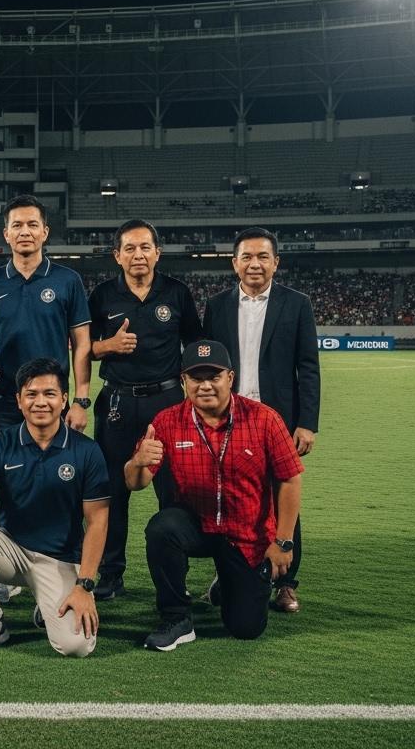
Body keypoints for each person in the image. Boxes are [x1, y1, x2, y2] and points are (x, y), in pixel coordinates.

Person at [124, 340, 303, 650]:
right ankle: (177, 617)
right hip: (198, 525)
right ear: (183, 382)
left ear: (230, 379)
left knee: (246, 628)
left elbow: (289, 480)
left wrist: (283, 541)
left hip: (246, 534)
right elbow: (134, 482)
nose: (205, 385)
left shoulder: (265, 419)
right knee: (162, 527)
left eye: (214, 376)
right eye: (196, 378)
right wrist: (136, 462)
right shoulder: (166, 421)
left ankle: (230, 581)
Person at [0, 357, 109, 657]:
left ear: (63, 400)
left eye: (49, 394)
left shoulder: (86, 450)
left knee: (76, 646)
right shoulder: (3, 441)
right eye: (31, 394)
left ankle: (47, 605)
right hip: (12, 550)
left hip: (60, 559)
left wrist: (85, 586)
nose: (40, 402)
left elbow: (98, 522)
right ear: (19, 401)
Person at [201, 227, 320, 614]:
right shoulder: (216, 306)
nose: (255, 264)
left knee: (283, 497)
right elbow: (207, 367)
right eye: (247, 257)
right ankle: (231, 572)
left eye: (263, 257)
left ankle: (286, 581)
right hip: (227, 417)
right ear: (235, 263)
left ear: (276, 262)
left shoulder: (296, 304)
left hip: (277, 419)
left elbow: (308, 367)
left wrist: (307, 422)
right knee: (232, 499)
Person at [86, 219, 200, 601]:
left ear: (157, 252)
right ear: (117, 255)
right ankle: (110, 573)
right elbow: (81, 349)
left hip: (168, 403)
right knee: (113, 490)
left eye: (145, 247)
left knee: (172, 490)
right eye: (130, 248)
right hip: (117, 402)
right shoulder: (102, 295)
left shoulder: (177, 293)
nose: (138, 254)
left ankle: (173, 575)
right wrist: (108, 347)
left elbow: (197, 347)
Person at [0, 194, 91, 431]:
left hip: (51, 398)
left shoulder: (68, 280)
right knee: (3, 467)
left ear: (45, 232)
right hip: (3, 400)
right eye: (17, 225)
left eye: (32, 224)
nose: (25, 232)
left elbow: (82, 344)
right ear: (6, 234)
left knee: (55, 467)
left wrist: (80, 401)